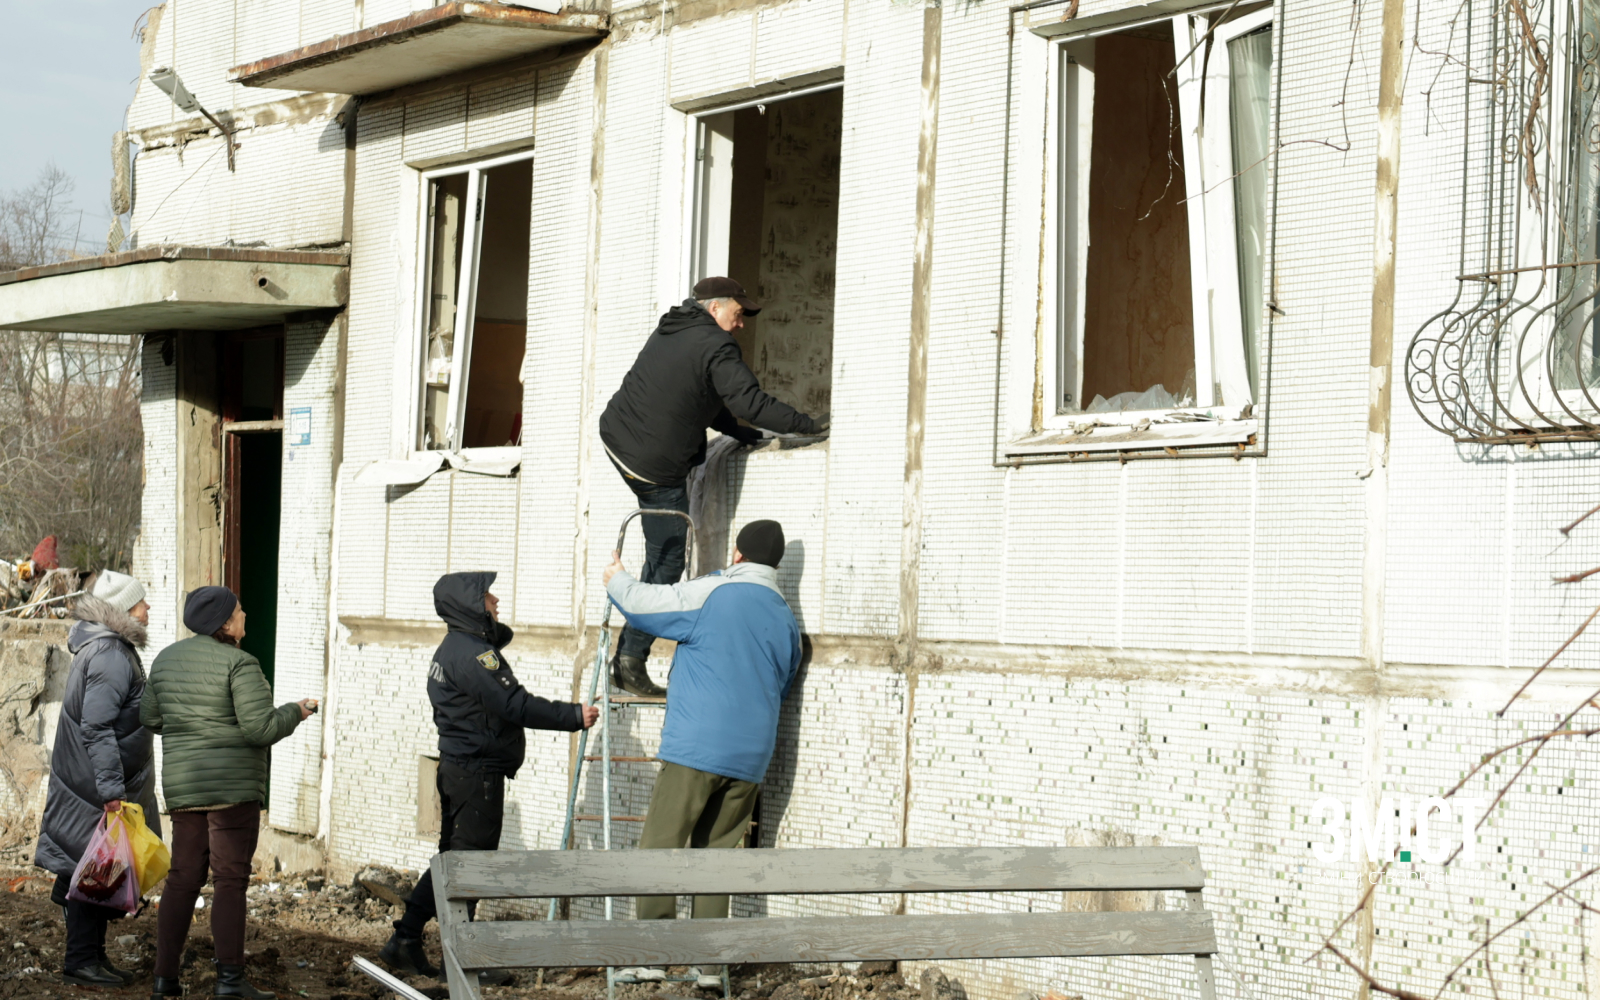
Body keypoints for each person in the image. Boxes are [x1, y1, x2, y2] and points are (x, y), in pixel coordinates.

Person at [598, 277, 827, 697]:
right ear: (716, 308)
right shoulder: (716, 345)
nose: (741, 325)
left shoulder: (676, 327)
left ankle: (628, 652)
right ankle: (629, 662)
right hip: (653, 464)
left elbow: (702, 395)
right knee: (668, 561)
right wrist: (806, 426)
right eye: (739, 314)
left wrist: (742, 433)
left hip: (618, 437)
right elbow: (748, 400)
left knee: (660, 551)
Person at [602, 519, 803, 989]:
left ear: (737, 554)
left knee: (660, 849)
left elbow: (644, 605)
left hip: (697, 748)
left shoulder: (714, 592)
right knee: (718, 858)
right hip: (751, 758)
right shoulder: (785, 617)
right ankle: (709, 967)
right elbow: (785, 682)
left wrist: (616, 578)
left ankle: (652, 956)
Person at [377, 572, 600, 979]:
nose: (496, 600)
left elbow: (498, 646)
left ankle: (406, 940)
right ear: (470, 605)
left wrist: (489, 630)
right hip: (476, 773)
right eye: (487, 595)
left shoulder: (456, 647)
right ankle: (459, 963)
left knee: (453, 862)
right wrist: (572, 716)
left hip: (459, 769)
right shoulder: (474, 657)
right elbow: (515, 704)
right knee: (471, 869)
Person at [141, 587, 316, 1000]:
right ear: (223, 623)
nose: (244, 615)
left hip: (186, 789)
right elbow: (260, 729)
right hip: (233, 792)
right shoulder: (240, 663)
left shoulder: (165, 660)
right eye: (238, 611)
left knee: (183, 879)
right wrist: (295, 711)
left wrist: (190, 731)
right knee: (229, 880)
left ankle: (164, 980)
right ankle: (230, 982)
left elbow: (149, 716)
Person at [35, 570, 159, 987]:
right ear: (124, 609)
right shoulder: (109, 655)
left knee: (96, 871)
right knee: (92, 872)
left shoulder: (110, 650)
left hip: (92, 783)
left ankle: (93, 957)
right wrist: (111, 792)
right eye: (142, 602)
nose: (148, 608)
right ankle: (81, 961)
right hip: (95, 787)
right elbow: (97, 727)